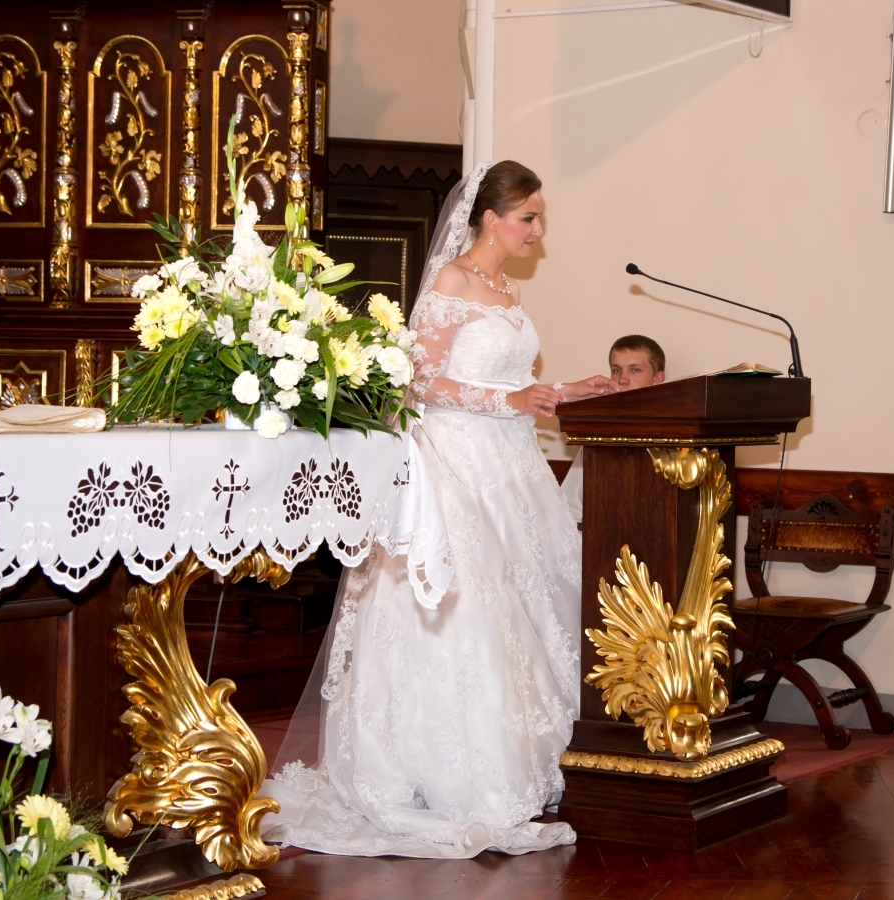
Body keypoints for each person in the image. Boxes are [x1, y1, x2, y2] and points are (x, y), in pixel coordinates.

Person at [260, 161, 618, 858]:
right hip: (454, 465)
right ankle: (454, 776)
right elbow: (420, 381)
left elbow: (507, 380)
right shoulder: (451, 281)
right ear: (490, 218)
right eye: (528, 218)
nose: (536, 232)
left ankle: (535, 759)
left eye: (538, 219)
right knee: (471, 608)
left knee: (528, 601)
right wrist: (509, 400)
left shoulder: (508, 290)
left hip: (510, 466)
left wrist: (567, 390)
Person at [560, 335, 666, 521]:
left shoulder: (676, 431)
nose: (622, 379)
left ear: (658, 378)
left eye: (634, 370)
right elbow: (571, 507)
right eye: (616, 370)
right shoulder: (597, 433)